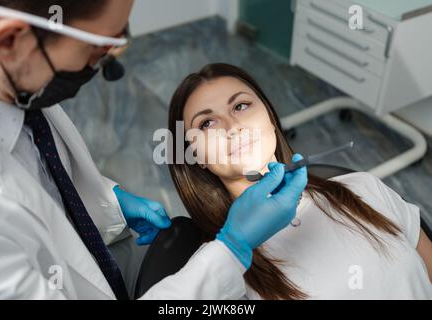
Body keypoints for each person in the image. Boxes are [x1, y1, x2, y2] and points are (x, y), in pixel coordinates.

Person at [0, 1, 309, 299]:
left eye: (241, 106)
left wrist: (107, 204)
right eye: (96, 48)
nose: (111, 63)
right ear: (9, 42)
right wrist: (232, 249)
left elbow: (41, 179)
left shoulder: (22, 84)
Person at [167, 63, 432, 299]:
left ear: (270, 118)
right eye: (207, 123)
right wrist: (235, 245)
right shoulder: (222, 270)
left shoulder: (363, 187)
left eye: (241, 106)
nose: (232, 126)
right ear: (196, 156)